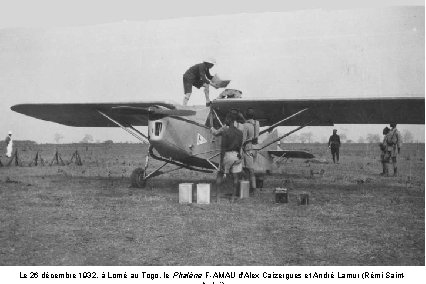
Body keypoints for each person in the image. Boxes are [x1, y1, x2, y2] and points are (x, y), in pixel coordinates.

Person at [211, 111, 243, 203]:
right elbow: (240, 146)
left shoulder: (226, 132)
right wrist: (239, 157)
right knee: (235, 177)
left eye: (226, 119)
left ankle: (218, 198)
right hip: (237, 155)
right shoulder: (240, 133)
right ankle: (232, 198)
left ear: (230, 120)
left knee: (220, 175)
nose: (225, 121)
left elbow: (223, 148)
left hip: (227, 155)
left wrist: (221, 163)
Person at [242, 108, 260, 195]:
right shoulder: (257, 123)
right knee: (251, 169)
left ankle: (252, 188)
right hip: (256, 148)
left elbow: (243, 139)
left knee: (248, 169)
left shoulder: (245, 125)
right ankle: (251, 187)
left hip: (248, 147)